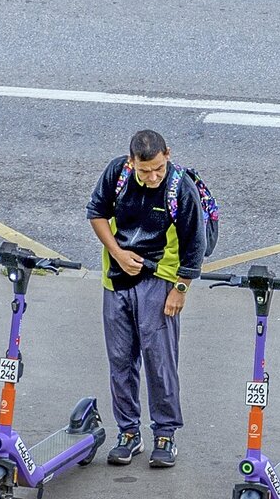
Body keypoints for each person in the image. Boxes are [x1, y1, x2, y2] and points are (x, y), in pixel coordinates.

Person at [87, 129, 204, 467]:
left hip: (159, 281)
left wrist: (180, 289)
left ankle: (165, 432)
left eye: (158, 169)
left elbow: (194, 244)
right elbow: (96, 212)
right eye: (145, 171)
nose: (152, 177)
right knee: (121, 360)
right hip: (118, 279)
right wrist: (118, 253)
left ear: (167, 154)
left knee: (160, 362)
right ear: (131, 162)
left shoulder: (180, 188)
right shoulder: (117, 174)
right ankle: (128, 432)